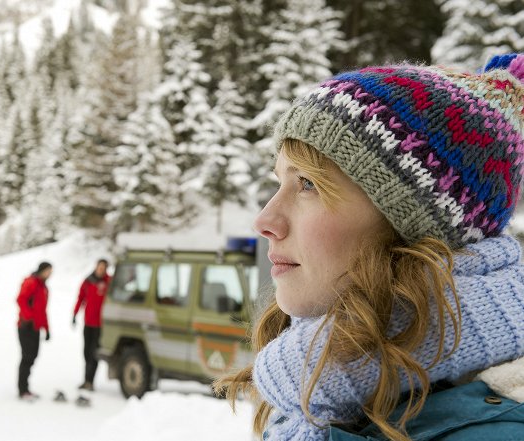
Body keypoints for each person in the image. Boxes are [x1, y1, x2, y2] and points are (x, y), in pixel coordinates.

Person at [217, 53, 524, 440]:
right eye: (278, 182)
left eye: (309, 184)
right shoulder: (312, 392)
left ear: (409, 226)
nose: (264, 221)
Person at [72, 259, 111, 391]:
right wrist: (75, 314)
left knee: (94, 353)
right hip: (88, 322)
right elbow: (81, 298)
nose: (100, 269)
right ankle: (86, 380)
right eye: (99, 267)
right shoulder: (88, 281)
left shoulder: (108, 282)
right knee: (86, 352)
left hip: (101, 325)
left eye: (103, 268)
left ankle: (90, 381)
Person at [16, 262, 52, 401]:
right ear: (42, 270)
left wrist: (47, 328)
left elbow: (42, 311)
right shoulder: (31, 283)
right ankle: (22, 389)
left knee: (33, 356)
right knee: (27, 357)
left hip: (36, 327)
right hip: (25, 327)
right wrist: (28, 317)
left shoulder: (44, 288)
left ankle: (26, 388)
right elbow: (21, 299)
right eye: (48, 271)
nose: (50, 274)